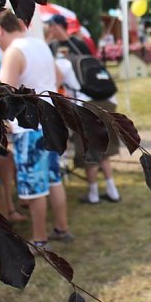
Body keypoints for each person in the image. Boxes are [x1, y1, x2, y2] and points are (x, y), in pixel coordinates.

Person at [0, 8, 72, 251]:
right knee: (53, 179)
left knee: (36, 188)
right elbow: (58, 76)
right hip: (50, 122)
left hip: (29, 127)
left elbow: (3, 93)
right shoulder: (39, 45)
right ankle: (62, 228)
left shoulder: (14, 52)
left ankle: (39, 240)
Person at [52, 44, 122, 206]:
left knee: (90, 152)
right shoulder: (92, 60)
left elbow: (57, 82)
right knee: (104, 150)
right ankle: (112, 191)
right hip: (108, 104)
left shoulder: (63, 63)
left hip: (86, 106)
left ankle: (93, 194)